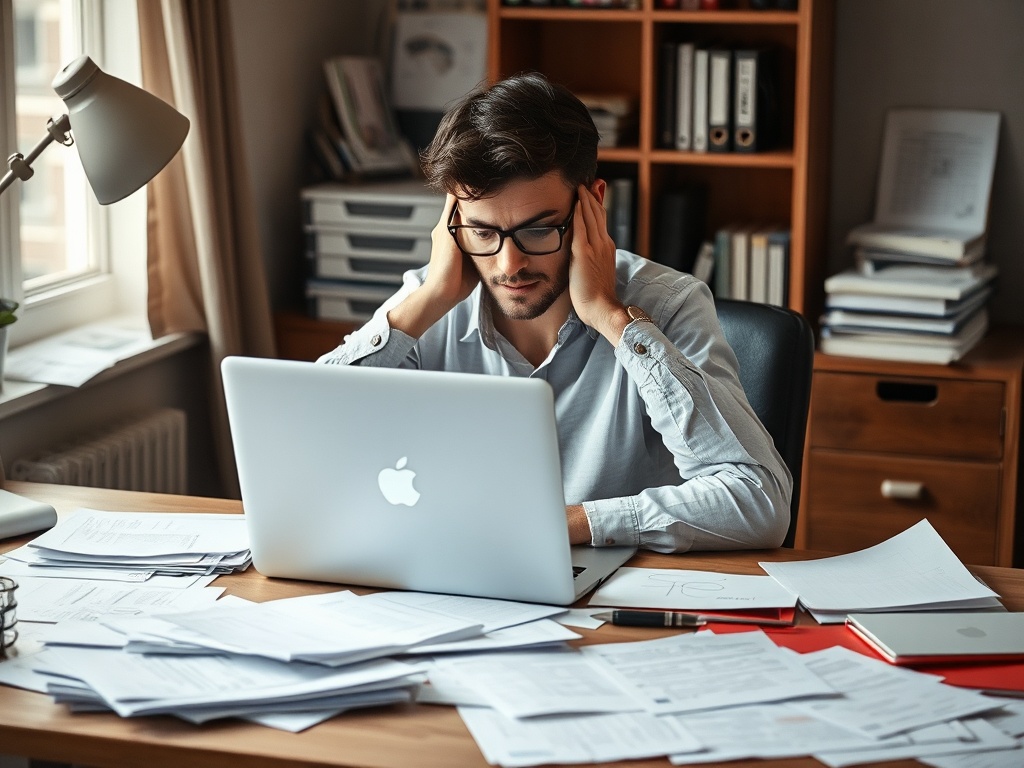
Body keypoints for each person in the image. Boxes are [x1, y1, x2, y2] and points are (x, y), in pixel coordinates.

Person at [318, 72, 791, 553]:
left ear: (593, 205)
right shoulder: (427, 302)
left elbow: (758, 503)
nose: (509, 265)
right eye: (482, 232)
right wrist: (430, 300)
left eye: (538, 230)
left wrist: (611, 318)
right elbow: (303, 436)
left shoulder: (670, 306)